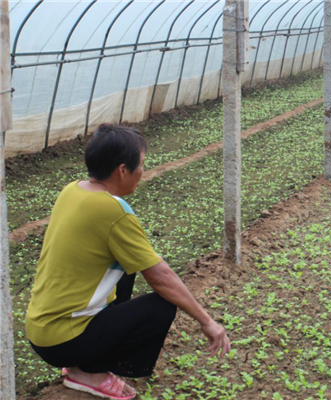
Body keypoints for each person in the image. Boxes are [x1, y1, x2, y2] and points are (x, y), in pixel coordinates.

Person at [26, 124, 230, 399]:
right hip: (63, 341)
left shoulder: (72, 190)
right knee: (161, 306)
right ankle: (90, 373)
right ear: (122, 170)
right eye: (142, 165)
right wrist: (208, 322)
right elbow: (159, 276)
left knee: (128, 268)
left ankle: (83, 361)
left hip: (41, 330)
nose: (143, 173)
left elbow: (146, 259)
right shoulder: (112, 210)